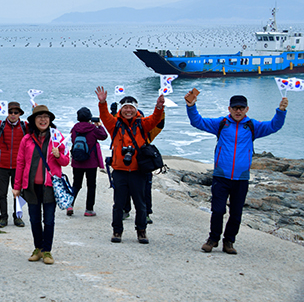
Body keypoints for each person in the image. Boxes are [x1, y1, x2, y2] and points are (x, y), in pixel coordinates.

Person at [186, 92, 288, 254]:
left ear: (247, 109)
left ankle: (229, 242)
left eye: (241, 108)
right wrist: (191, 106)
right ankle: (213, 239)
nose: (238, 111)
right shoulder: (222, 123)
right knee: (218, 210)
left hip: (241, 177)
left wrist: (281, 111)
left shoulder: (252, 126)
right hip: (221, 176)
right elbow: (197, 121)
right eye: (235, 108)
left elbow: (274, 126)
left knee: (236, 212)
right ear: (229, 108)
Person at [95, 87, 164, 244]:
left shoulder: (142, 124)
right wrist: (102, 102)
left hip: (138, 171)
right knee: (118, 204)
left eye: (131, 108)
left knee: (140, 204)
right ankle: (117, 231)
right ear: (121, 109)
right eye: (125, 107)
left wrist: (159, 107)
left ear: (136, 109)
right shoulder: (115, 125)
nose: (128, 110)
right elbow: (105, 116)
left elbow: (155, 119)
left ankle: (141, 232)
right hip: (119, 171)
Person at [12, 105, 69, 265]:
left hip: (50, 186)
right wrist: (17, 186)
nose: (43, 119)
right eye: (39, 117)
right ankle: (38, 248)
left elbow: (66, 161)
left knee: (49, 220)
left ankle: (47, 250)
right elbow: (20, 162)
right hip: (30, 186)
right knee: (35, 219)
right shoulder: (27, 139)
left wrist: (58, 155)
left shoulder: (57, 138)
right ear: (34, 120)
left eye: (46, 116)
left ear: (50, 120)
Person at [110, 102, 165, 224]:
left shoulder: (147, 130)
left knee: (144, 192)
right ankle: (128, 210)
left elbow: (159, 123)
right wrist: (113, 112)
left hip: (142, 165)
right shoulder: (123, 128)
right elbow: (114, 123)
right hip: (127, 167)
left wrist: (161, 110)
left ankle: (146, 213)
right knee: (128, 193)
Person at [0, 101, 27, 228]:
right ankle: (3, 218)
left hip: (18, 166)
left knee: (17, 193)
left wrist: (36, 110)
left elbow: (40, 127)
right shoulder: (1, 125)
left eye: (16, 112)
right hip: (2, 166)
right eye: (10, 112)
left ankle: (18, 217)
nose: (13, 114)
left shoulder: (25, 125)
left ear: (20, 113)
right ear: (7, 113)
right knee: (2, 194)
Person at [68, 107, 108, 217]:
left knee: (76, 184)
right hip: (91, 162)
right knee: (91, 185)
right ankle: (89, 209)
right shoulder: (93, 128)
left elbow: (72, 140)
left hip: (77, 161)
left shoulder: (75, 128)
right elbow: (104, 136)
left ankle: (70, 205)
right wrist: (99, 125)